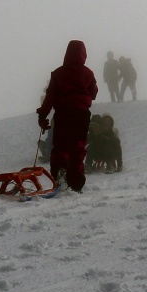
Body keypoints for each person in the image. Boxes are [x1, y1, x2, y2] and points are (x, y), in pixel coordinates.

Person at [37, 40, 99, 192]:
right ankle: (76, 182)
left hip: (63, 113)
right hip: (81, 114)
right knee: (78, 146)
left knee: (61, 145)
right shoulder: (88, 73)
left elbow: (50, 96)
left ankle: (60, 170)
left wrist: (43, 115)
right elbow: (93, 93)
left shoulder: (58, 73)